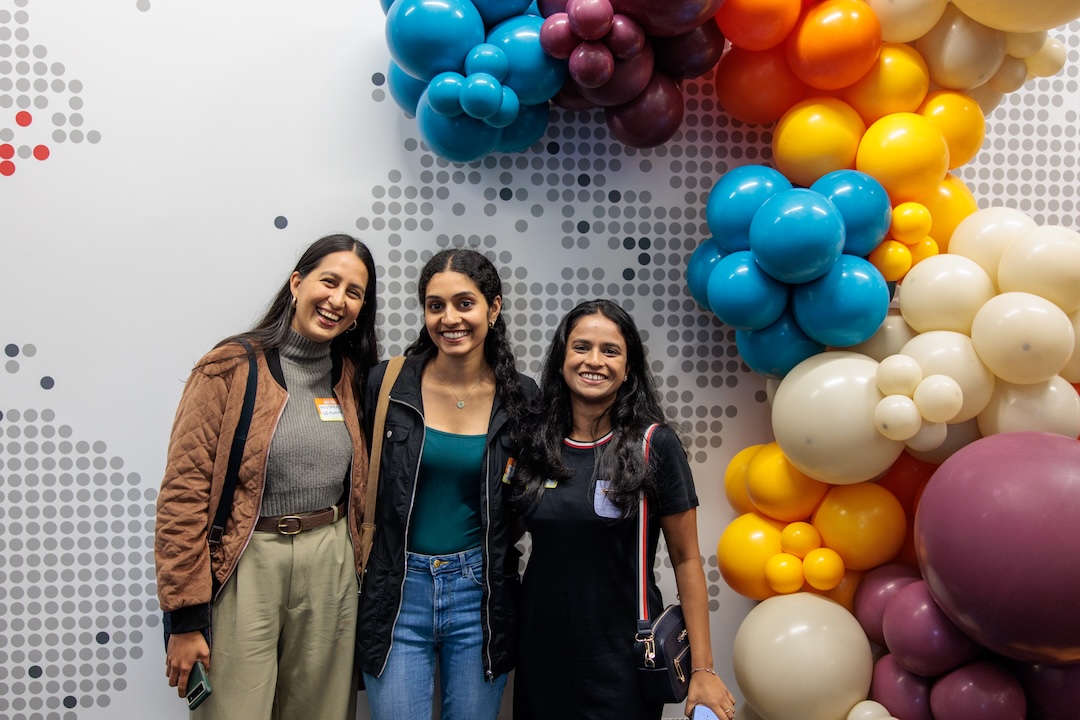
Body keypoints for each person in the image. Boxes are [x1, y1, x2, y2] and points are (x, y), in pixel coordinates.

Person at [154, 234, 379, 719]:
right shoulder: (229, 367)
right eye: (329, 281)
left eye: (354, 292)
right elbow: (183, 496)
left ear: (361, 309)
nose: (337, 300)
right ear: (297, 283)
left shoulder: (354, 378)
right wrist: (185, 618)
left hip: (332, 563)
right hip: (246, 560)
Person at [511, 299, 738, 720]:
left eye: (610, 350)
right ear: (562, 358)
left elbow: (687, 560)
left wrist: (703, 669)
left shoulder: (655, 445)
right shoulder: (535, 442)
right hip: (542, 654)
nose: (593, 360)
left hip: (621, 660)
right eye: (581, 347)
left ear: (629, 367)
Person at [355, 247, 536, 720]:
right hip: (397, 589)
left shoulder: (523, 397)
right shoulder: (387, 384)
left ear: (493, 308)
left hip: (480, 591)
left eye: (464, 303)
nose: (449, 318)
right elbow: (356, 480)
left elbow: (528, 498)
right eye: (436, 305)